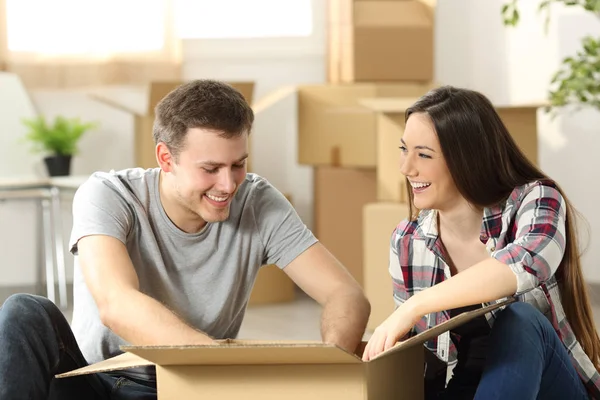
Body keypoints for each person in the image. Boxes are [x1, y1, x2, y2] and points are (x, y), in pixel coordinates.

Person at [0, 80, 370, 400]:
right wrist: (220, 364)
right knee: (23, 311)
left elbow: (346, 295)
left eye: (239, 164)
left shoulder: (258, 202)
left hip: (187, 388)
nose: (228, 185)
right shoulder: (108, 194)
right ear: (166, 158)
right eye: (210, 169)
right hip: (95, 383)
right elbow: (116, 304)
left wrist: (328, 366)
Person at [362, 86, 600, 399]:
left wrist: (414, 307)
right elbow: (422, 364)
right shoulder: (408, 241)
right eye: (404, 149)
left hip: (552, 389)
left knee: (521, 320)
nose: (406, 168)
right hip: (466, 390)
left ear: (466, 159)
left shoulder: (536, 200)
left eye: (423, 154)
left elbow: (527, 265)